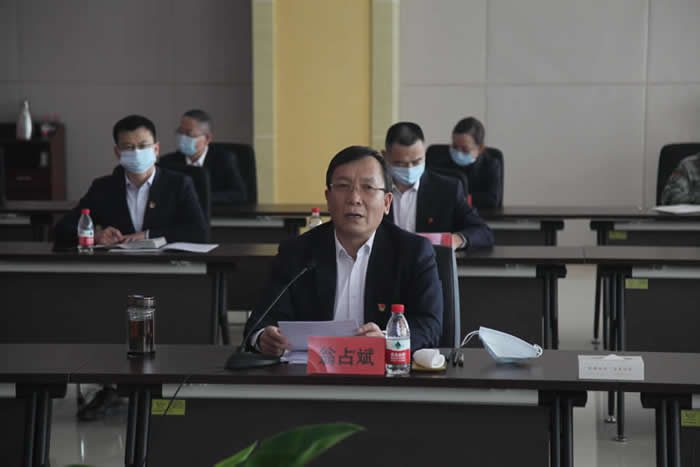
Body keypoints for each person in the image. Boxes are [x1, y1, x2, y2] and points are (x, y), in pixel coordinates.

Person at [55, 115, 207, 420]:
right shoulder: (104, 187)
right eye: (128, 147)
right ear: (117, 152)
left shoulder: (179, 184)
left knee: (178, 324)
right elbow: (63, 229)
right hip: (117, 282)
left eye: (143, 145)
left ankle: (169, 389)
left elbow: (198, 232)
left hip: (171, 279)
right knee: (103, 319)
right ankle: (109, 387)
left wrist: (149, 235)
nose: (136, 152)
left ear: (156, 148)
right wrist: (95, 235)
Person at [245, 146, 444, 356]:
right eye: (342, 186)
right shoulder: (296, 253)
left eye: (368, 187)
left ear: (387, 202)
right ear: (328, 199)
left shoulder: (413, 253)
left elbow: (429, 325)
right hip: (309, 374)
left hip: (386, 373)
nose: (354, 198)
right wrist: (263, 338)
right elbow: (261, 321)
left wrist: (388, 340)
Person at [382, 122, 494, 250]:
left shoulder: (447, 189)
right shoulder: (373, 189)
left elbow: (483, 232)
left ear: (424, 153)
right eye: (400, 163)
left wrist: (456, 240)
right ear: (385, 156)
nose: (409, 169)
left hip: (431, 260)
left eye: (417, 161)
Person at [158, 109, 248, 204]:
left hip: (215, 212)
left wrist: (201, 197)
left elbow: (239, 194)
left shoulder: (224, 159)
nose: (182, 138)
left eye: (188, 134)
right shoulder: (167, 162)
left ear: (207, 138)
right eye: (180, 132)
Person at [429, 116, 502, 208]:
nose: (458, 152)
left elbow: (492, 199)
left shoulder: (490, 165)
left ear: (480, 149)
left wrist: (462, 199)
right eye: (455, 147)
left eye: (465, 149)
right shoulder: (440, 163)